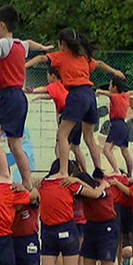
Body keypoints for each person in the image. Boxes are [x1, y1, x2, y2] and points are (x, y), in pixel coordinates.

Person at [25, 28, 124, 178]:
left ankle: (63, 171)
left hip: (76, 95)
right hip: (90, 96)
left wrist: (23, 66)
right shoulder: (83, 57)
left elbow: (40, 59)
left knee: (62, 134)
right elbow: (100, 64)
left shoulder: (61, 56)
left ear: (63, 44)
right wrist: (114, 71)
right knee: (89, 138)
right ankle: (98, 172)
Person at [0, 5, 53, 187]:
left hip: (8, 97)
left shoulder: (4, 43)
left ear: (2, 25)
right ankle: (27, 183)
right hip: (19, 98)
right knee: (15, 145)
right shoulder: (20, 45)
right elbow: (30, 43)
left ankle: (5, 174)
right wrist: (43, 47)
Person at [37, 159, 108, 265]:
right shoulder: (69, 184)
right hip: (67, 230)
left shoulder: (43, 185)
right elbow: (95, 194)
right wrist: (101, 185)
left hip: (47, 230)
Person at [76, 169, 118, 265]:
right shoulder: (85, 192)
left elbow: (95, 194)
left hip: (107, 228)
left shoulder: (102, 188)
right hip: (91, 227)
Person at [30, 67, 86, 171]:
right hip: (77, 117)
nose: (47, 78)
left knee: (58, 148)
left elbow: (45, 89)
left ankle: (63, 170)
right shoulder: (66, 84)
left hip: (66, 116)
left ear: (53, 76)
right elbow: (55, 95)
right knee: (75, 148)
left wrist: (33, 91)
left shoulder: (54, 85)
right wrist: (41, 97)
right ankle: (85, 172)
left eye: (48, 75)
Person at [96, 77, 133, 177]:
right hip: (124, 126)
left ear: (115, 87)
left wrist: (99, 91)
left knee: (106, 150)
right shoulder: (125, 96)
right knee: (125, 151)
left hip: (116, 125)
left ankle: (116, 170)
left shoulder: (114, 97)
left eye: (110, 85)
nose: (109, 87)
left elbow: (108, 94)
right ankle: (129, 173)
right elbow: (130, 92)